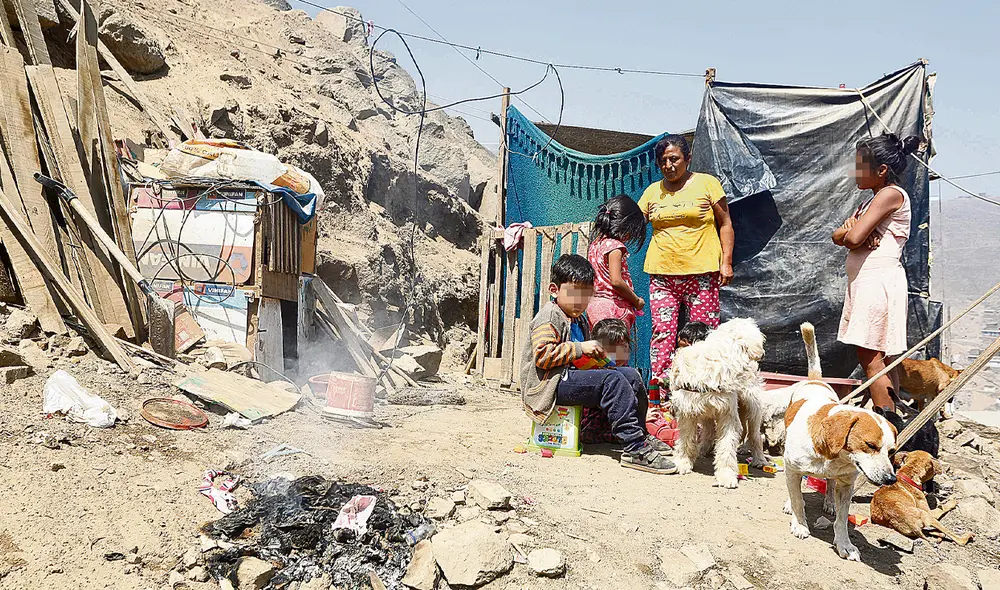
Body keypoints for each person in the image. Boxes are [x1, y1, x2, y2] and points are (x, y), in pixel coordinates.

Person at [518, 254, 676, 474]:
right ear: (554, 290)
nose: (580, 300)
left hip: (568, 378)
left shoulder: (579, 318)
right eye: (574, 292)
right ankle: (634, 449)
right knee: (611, 380)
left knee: (630, 375)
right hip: (549, 385)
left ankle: (640, 434)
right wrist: (581, 348)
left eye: (586, 294)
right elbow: (543, 356)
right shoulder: (550, 316)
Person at [638, 134, 735, 403]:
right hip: (662, 274)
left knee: (703, 334)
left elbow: (726, 223)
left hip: (702, 273)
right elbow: (634, 223)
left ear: (687, 158)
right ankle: (660, 399)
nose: (668, 165)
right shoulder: (652, 192)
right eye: (663, 161)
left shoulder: (707, 184)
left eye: (674, 159)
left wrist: (726, 262)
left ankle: (702, 394)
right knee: (663, 334)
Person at [833, 132, 920, 412]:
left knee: (872, 357)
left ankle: (887, 422)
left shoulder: (890, 194)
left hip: (878, 282)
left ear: (881, 170)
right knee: (880, 357)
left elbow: (852, 238)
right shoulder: (868, 202)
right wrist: (851, 232)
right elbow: (839, 235)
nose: (855, 172)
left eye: (860, 166)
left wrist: (854, 232)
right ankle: (893, 420)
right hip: (867, 282)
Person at [586, 195, 647, 330]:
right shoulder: (615, 247)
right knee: (617, 343)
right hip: (614, 308)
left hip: (595, 306)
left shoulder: (595, 244)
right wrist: (636, 300)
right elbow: (616, 281)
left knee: (599, 343)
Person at [580, 318, 639, 444]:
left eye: (623, 346)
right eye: (613, 349)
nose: (619, 353)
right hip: (596, 424)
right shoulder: (594, 370)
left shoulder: (628, 372)